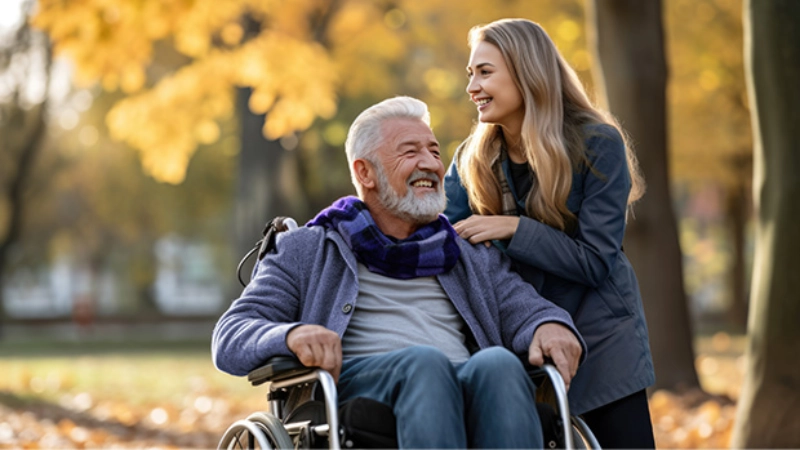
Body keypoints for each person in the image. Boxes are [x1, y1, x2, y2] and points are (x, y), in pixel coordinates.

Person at [213, 96, 585, 449]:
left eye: (435, 151)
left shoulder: (465, 251)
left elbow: (522, 305)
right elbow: (231, 335)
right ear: (365, 172)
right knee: (424, 363)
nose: (431, 164)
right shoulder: (308, 248)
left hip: (465, 380)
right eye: (411, 151)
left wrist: (548, 324)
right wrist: (291, 335)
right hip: (359, 385)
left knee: (500, 363)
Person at [444, 19, 656, 449]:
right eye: (471, 74)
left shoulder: (596, 143)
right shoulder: (470, 160)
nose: (472, 86)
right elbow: (441, 241)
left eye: (485, 72)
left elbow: (596, 261)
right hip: (517, 343)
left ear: (526, 71)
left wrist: (515, 228)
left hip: (602, 342)